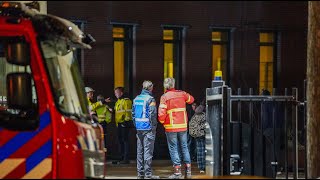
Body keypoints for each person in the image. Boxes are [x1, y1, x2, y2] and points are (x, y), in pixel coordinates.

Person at [158, 77, 194, 179]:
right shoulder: (182, 94)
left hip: (171, 126)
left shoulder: (164, 97)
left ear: (165, 85)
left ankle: (177, 173)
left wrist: (162, 122)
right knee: (184, 146)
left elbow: (161, 114)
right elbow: (191, 100)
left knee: (173, 148)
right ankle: (188, 171)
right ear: (173, 84)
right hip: (183, 125)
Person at [132, 80, 160, 179]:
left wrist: (136, 125)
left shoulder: (136, 99)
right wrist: (154, 126)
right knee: (148, 152)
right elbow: (153, 114)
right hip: (148, 128)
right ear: (150, 88)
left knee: (139, 151)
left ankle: (140, 174)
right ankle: (148, 174)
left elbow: (133, 114)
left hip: (139, 128)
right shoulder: (150, 99)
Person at [113, 87, 133, 164]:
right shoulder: (118, 101)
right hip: (119, 124)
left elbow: (128, 113)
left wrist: (126, 122)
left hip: (124, 124)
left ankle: (126, 158)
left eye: (117, 92)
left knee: (125, 141)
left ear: (121, 93)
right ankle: (121, 158)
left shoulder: (126, 101)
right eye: (115, 93)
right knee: (120, 141)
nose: (115, 94)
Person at [188, 100, 206, 174]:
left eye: (194, 105)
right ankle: (204, 166)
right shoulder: (203, 113)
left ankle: (201, 167)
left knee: (199, 150)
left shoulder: (195, 113)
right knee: (203, 150)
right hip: (202, 134)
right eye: (192, 105)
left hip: (196, 134)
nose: (193, 106)